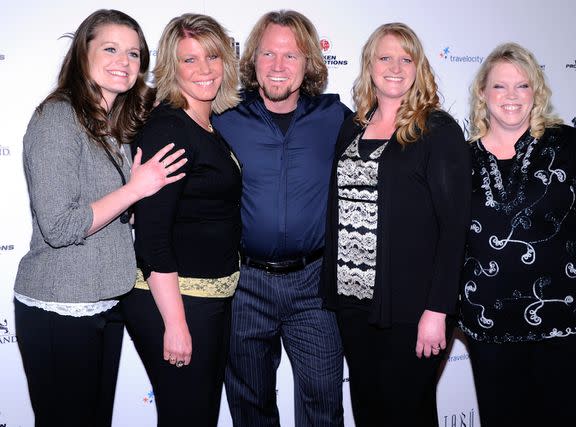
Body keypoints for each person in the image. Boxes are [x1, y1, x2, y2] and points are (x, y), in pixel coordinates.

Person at [13, 9, 186, 427]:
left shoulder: (110, 123)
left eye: (133, 54)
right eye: (110, 49)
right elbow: (59, 226)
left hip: (106, 301)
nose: (123, 62)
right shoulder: (57, 117)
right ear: (82, 52)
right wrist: (135, 189)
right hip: (60, 305)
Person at [458, 42, 576, 427]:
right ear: (482, 94)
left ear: (537, 92)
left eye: (522, 86)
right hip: (490, 330)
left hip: (569, 324)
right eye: (500, 87)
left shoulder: (572, 146)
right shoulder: (461, 159)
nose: (511, 97)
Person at [319, 23, 470, 426]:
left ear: (419, 68)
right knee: (368, 409)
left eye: (407, 59)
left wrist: (438, 309)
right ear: (370, 64)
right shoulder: (352, 126)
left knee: (408, 412)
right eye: (385, 57)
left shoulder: (436, 130)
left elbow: (455, 227)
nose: (396, 67)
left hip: (412, 305)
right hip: (353, 303)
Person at [212, 10, 351, 426]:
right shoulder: (224, 119)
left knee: (324, 404)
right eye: (268, 54)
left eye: (290, 56)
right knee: (250, 405)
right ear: (252, 60)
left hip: (315, 283)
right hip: (245, 284)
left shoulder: (335, 117)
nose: (277, 66)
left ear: (309, 63)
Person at [119, 14, 241, 426]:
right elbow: (152, 236)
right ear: (172, 68)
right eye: (189, 60)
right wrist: (174, 323)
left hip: (207, 299)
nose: (204, 69)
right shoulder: (169, 129)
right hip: (175, 301)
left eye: (211, 56)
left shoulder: (205, 124)